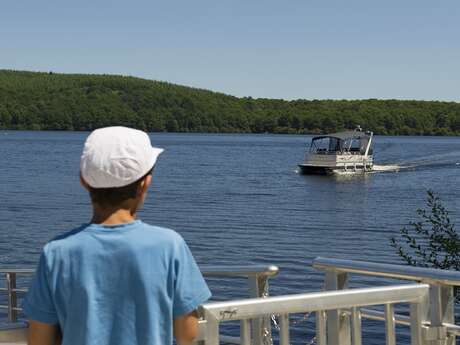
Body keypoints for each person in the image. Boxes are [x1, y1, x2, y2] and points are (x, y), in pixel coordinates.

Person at [23, 126, 211, 345]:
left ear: (84, 181)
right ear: (145, 183)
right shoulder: (170, 245)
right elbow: (187, 332)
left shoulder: (56, 252)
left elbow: (39, 339)